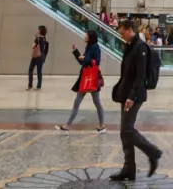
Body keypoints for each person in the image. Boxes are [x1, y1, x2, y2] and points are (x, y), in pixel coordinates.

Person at [110, 19, 162, 181]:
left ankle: (153, 152)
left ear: (130, 30)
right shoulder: (130, 46)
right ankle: (129, 168)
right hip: (126, 94)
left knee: (127, 130)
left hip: (135, 95)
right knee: (124, 132)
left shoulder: (140, 48)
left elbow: (141, 75)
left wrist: (132, 97)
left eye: (123, 32)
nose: (121, 35)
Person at [56, 29, 106, 133]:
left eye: (86, 35)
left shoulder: (96, 47)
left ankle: (102, 125)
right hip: (85, 78)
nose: (85, 36)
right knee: (77, 102)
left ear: (90, 37)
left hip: (92, 79)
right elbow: (81, 61)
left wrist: (86, 58)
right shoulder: (88, 47)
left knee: (96, 102)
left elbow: (96, 61)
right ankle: (67, 125)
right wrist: (76, 51)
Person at [28, 25, 49, 91]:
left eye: (38, 29)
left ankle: (30, 85)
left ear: (40, 30)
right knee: (39, 71)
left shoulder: (38, 38)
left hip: (36, 56)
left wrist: (35, 38)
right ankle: (39, 86)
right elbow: (45, 49)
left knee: (30, 69)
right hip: (42, 56)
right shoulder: (45, 39)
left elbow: (33, 46)